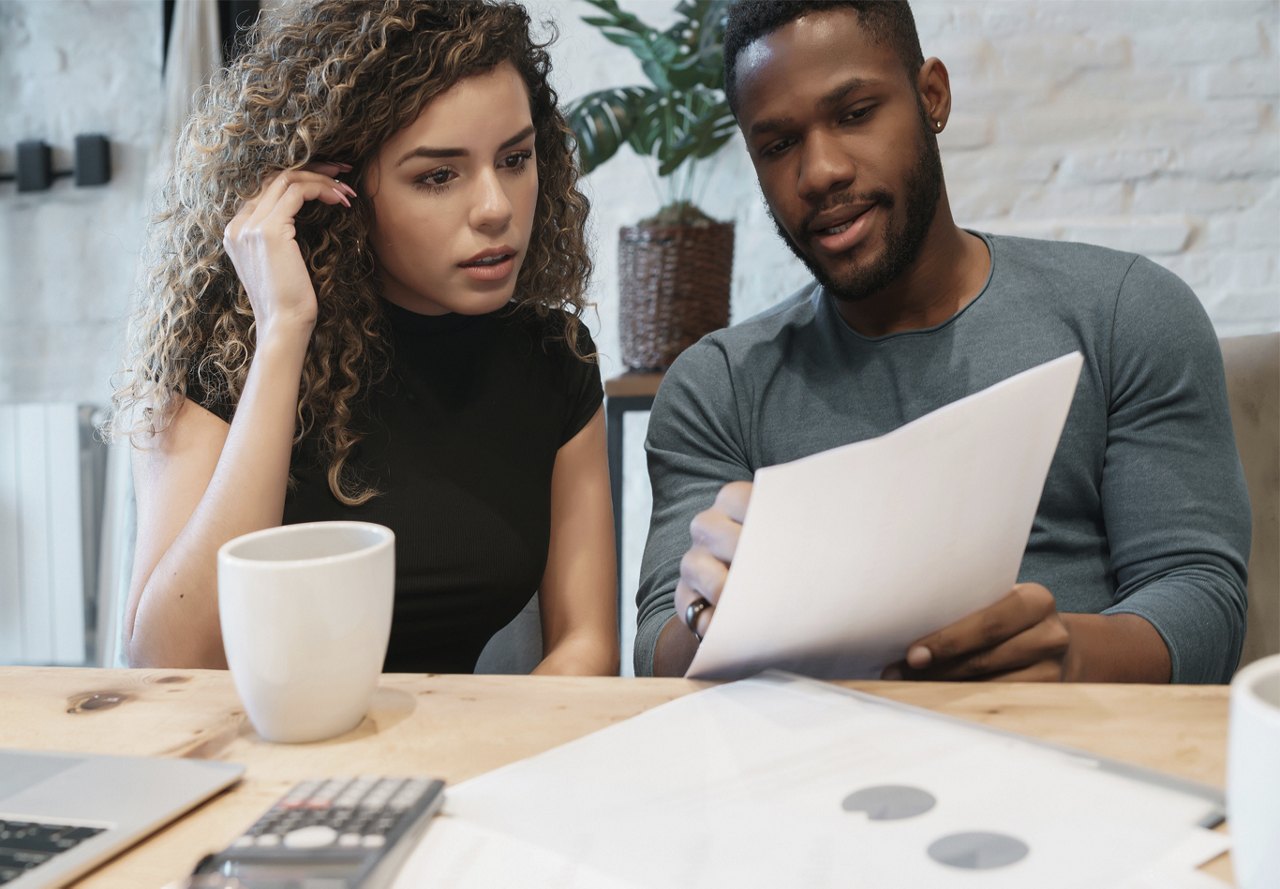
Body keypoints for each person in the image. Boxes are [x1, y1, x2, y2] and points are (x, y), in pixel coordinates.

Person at [635, 0, 1250, 683]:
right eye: (778, 145)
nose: (820, 172)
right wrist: (709, 616)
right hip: (813, 767)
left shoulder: (1125, 315)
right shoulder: (718, 387)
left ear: (932, 96)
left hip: (1076, 754)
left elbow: (1200, 600)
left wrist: (1067, 656)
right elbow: (657, 650)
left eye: (855, 113)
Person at [111, 0, 618, 675]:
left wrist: (484, 762)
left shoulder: (554, 358)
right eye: (438, 175)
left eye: (515, 158)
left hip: (463, 765)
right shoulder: (221, 355)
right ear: (333, 185)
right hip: (265, 763)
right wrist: (283, 334)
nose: (496, 207)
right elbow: (170, 659)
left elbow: (586, 646)